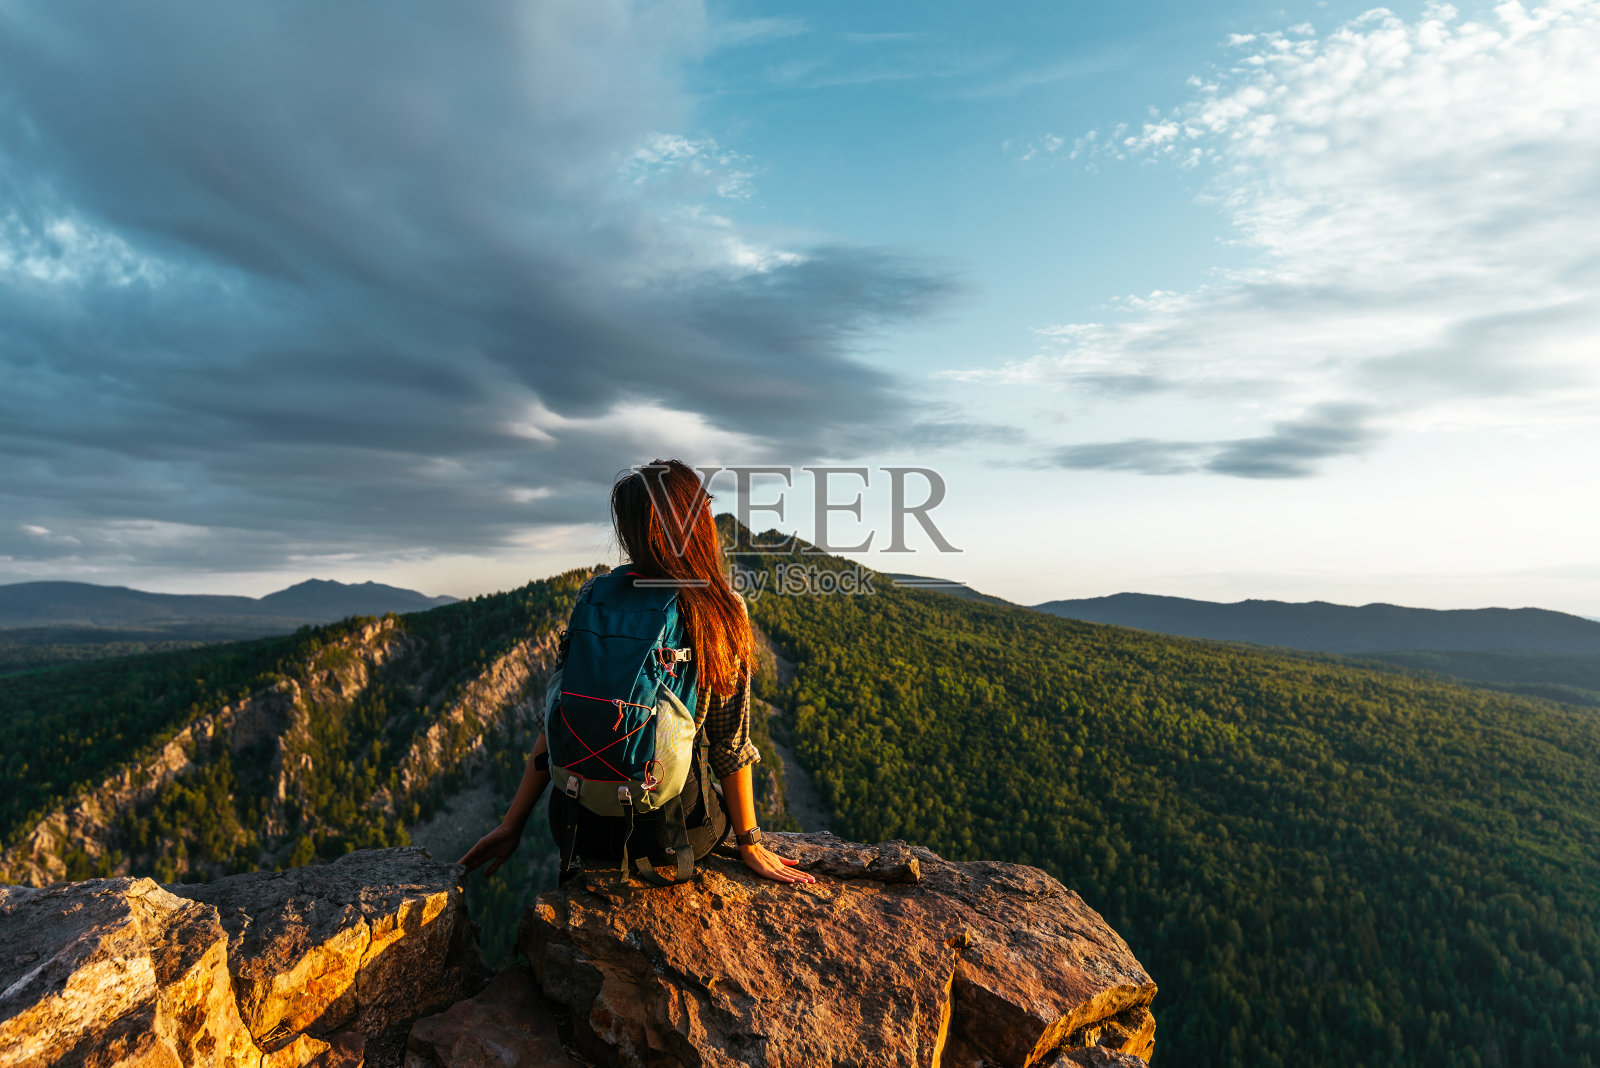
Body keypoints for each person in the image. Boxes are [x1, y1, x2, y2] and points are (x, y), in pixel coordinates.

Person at [459, 459, 815, 886]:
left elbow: (556, 720)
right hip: (667, 834)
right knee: (708, 796)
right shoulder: (716, 609)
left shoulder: (592, 595)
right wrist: (750, 842)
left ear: (630, 531)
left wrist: (511, 825)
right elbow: (729, 746)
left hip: (575, 823)